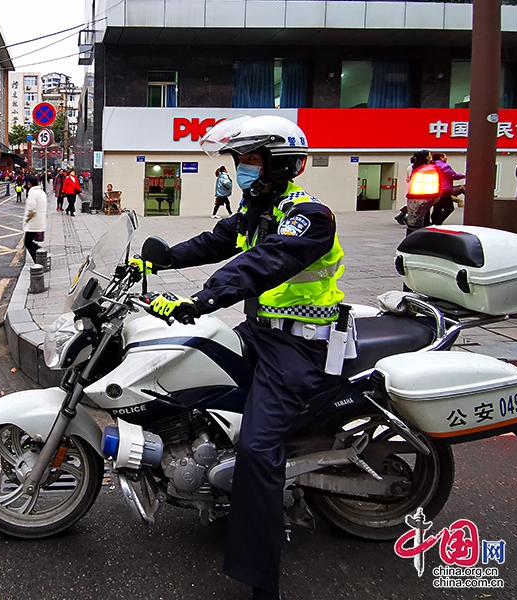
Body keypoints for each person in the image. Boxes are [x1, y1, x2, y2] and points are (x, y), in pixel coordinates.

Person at [134, 115, 344, 600]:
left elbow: (260, 263)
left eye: (250, 160)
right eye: (239, 160)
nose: (242, 169)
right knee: (201, 380)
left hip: (297, 348)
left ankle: (261, 580)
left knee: (257, 448)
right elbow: (215, 241)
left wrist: (202, 299)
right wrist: (157, 259)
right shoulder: (257, 208)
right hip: (260, 333)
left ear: (279, 164)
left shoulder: (309, 216)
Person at [400, 150, 432, 229]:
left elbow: (408, 179)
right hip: (421, 191)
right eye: (429, 155)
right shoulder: (423, 168)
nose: (431, 156)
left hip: (417, 191)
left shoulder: (413, 167)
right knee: (420, 210)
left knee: (419, 210)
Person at [431, 152, 464, 226]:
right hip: (445, 189)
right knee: (449, 208)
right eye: (445, 156)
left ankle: (434, 223)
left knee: (437, 207)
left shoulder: (432, 166)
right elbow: (453, 175)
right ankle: (437, 223)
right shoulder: (444, 166)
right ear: (441, 157)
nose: (446, 158)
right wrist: (463, 175)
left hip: (435, 189)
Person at [22, 174, 47, 262]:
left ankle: (39, 261)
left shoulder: (32, 193)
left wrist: (26, 220)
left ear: (29, 183)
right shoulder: (42, 192)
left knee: (27, 243)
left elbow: (31, 209)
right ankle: (42, 255)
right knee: (29, 242)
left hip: (33, 222)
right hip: (40, 221)